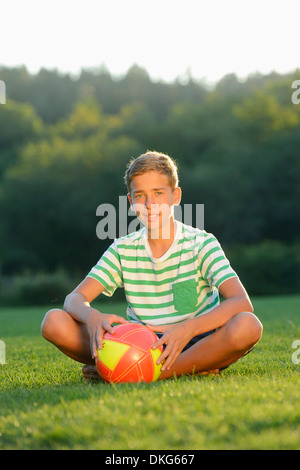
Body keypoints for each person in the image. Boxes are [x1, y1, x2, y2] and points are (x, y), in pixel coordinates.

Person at [41, 151, 263, 381]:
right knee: (53, 322)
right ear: (131, 201)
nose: (149, 204)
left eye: (158, 193)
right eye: (140, 195)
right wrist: (92, 316)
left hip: (197, 341)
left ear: (175, 196)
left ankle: (143, 371)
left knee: (248, 325)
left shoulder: (201, 243)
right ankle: (151, 367)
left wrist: (189, 328)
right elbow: (73, 299)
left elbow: (241, 302)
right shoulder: (122, 249)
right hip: (141, 344)